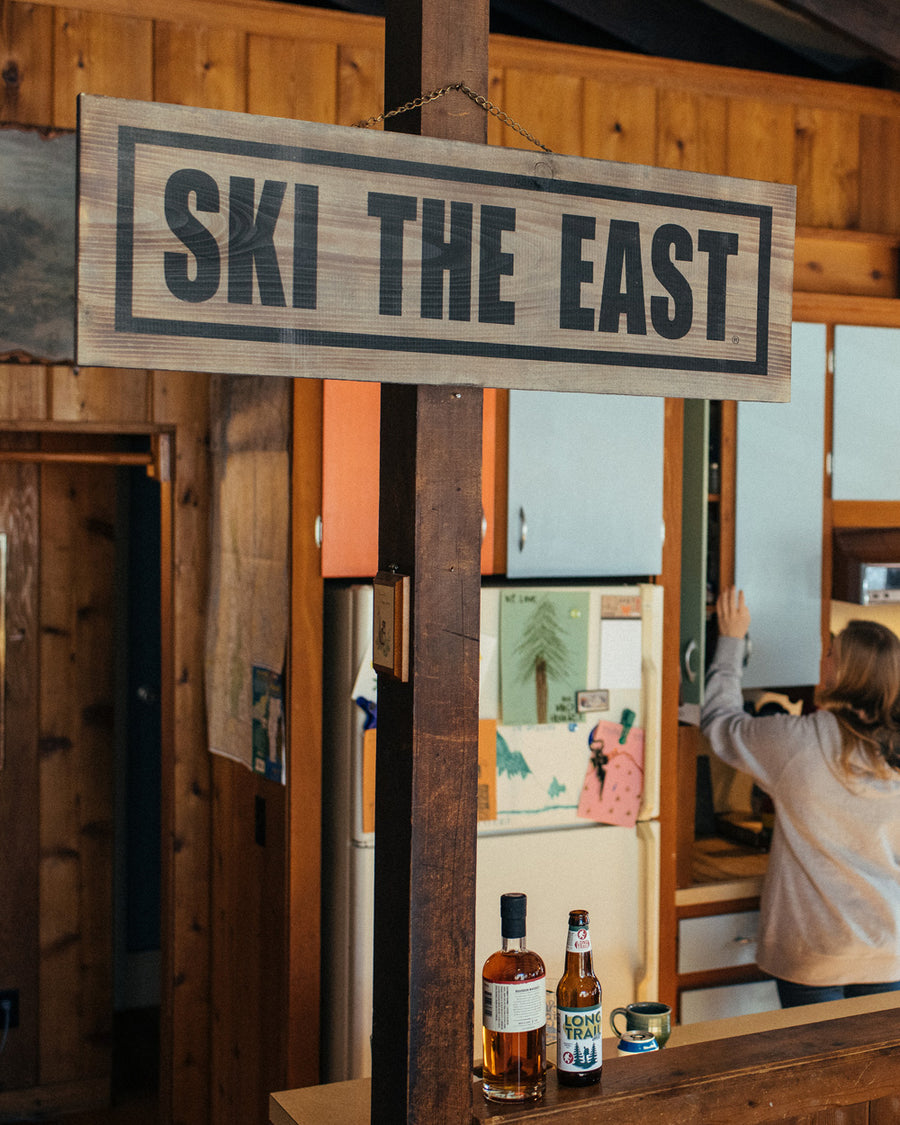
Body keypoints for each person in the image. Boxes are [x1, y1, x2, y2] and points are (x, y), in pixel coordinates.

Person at [700, 586, 900, 1008]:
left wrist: (732, 639)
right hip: (887, 952)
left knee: (815, 1071)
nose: (823, 659)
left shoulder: (798, 742)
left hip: (813, 952)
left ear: (843, 672)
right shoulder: (893, 754)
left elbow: (719, 722)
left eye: (832, 653)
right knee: (875, 1075)